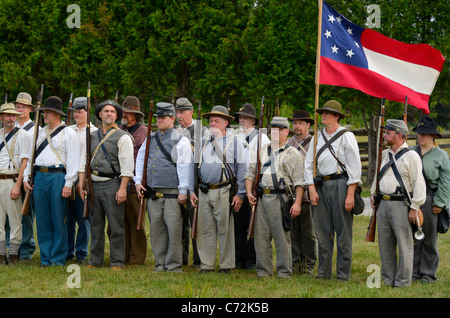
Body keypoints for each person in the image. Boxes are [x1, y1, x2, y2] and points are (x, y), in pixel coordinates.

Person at [304, 100, 362, 281]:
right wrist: (311, 189)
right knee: (322, 231)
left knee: (343, 232)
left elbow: (355, 167)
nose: (324, 115)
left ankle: (343, 275)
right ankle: (323, 273)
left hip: (341, 185)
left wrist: (350, 193)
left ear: (337, 116)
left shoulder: (347, 136)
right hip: (320, 185)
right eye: (322, 112)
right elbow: (308, 165)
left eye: (328, 113)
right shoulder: (317, 137)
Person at [135, 102, 193, 272]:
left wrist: (183, 190)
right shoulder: (150, 138)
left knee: (174, 231)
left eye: (163, 117)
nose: (159, 120)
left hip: (173, 194)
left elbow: (184, 166)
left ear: (172, 118)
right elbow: (141, 160)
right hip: (154, 193)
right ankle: (160, 263)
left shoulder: (181, 140)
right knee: (157, 231)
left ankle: (174, 265)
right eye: (158, 117)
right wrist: (138, 181)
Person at [23, 96, 80, 267]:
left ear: (57, 114)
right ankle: (45, 258)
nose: (44, 115)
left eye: (47, 112)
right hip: (39, 176)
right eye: (44, 112)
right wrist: (27, 177)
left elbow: (73, 160)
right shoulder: (38, 132)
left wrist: (68, 183)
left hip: (58, 177)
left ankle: (57, 258)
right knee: (42, 220)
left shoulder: (68, 133)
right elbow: (31, 156)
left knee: (59, 219)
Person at [245, 116, 305, 278]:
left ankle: (284, 271)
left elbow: (300, 181)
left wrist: (297, 203)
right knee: (261, 236)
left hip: (281, 198)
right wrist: (249, 192)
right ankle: (263, 270)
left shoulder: (293, 154)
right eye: (273, 129)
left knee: (281, 237)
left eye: (279, 129)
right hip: (262, 197)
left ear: (286, 132)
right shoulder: (261, 150)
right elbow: (250, 173)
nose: (276, 132)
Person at [190, 105, 247, 273]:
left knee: (225, 230)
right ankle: (206, 265)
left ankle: (226, 265)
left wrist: (240, 194)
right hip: (204, 190)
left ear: (225, 123)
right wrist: (192, 190)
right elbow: (193, 167)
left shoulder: (235, 142)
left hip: (224, 190)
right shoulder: (203, 142)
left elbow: (242, 170)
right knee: (205, 229)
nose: (212, 123)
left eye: (216, 121)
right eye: (211, 120)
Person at [78, 99, 134, 270]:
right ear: (100, 115)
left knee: (116, 226)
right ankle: (95, 260)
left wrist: (123, 188)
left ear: (116, 116)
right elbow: (83, 162)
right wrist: (81, 185)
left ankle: (117, 261)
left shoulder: (123, 137)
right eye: (106, 111)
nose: (109, 114)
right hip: (94, 184)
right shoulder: (91, 135)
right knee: (96, 225)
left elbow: (127, 165)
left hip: (113, 184)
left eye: (112, 112)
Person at [370, 119, 426, 287]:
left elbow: (419, 184)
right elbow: (377, 177)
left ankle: (402, 281)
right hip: (383, 204)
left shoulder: (412, 155)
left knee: (404, 244)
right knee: (385, 245)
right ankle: (388, 280)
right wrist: (373, 194)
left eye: (388, 133)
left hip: (401, 204)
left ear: (399, 135)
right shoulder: (384, 154)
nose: (385, 135)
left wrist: (415, 207)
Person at [411, 116, 450, 283]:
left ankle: (427, 274)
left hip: (430, 199)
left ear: (433, 136)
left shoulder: (441, 155)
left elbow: (445, 181)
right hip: (412, 200)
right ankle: (412, 272)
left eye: (425, 133)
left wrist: (439, 203)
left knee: (428, 240)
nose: (421, 136)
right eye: (419, 133)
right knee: (412, 238)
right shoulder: (411, 152)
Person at [233, 103, 270, 270]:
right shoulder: (235, 137)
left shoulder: (263, 139)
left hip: (255, 188)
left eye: (246, 117)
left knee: (254, 226)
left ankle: (252, 260)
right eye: (241, 117)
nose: (242, 120)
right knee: (238, 225)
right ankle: (238, 258)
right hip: (239, 187)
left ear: (254, 121)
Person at [175, 97, 206, 268]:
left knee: (196, 223)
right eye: (177, 112)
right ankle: (181, 258)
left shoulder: (203, 131)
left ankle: (199, 260)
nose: (179, 116)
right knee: (180, 224)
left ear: (191, 112)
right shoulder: (173, 131)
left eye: (182, 112)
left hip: (197, 182)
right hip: (180, 182)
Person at [67, 97, 98, 264]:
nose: (77, 114)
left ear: (88, 112)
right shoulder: (67, 130)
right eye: (75, 112)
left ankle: (81, 253)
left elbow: (91, 159)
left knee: (84, 219)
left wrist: (84, 181)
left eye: (80, 111)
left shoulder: (94, 132)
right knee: (67, 220)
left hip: (83, 182)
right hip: (67, 179)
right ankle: (68, 251)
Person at [286, 110, 318, 275]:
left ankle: (308, 265)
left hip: (307, 195)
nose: (296, 126)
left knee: (308, 233)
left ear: (308, 125)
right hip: (290, 193)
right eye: (295, 123)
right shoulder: (288, 143)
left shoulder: (314, 143)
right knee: (292, 232)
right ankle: (294, 263)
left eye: (300, 123)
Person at [0, 103, 31, 264]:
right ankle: (0, 254)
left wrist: (18, 185)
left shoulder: (23, 135)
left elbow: (24, 162)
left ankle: (13, 255)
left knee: (14, 221)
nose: (11, 118)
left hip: (12, 180)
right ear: (2, 117)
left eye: (13, 115)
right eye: (7, 115)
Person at [119, 96, 148, 265]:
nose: (125, 114)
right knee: (120, 224)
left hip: (135, 184)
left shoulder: (143, 132)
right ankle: (122, 255)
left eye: (129, 112)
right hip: (120, 183)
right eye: (124, 111)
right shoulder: (120, 129)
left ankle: (136, 259)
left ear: (136, 115)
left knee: (136, 224)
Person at [12, 92, 37, 261]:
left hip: (27, 176)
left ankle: (26, 250)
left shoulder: (36, 129)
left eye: (23, 107)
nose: (20, 109)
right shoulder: (8, 128)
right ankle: (10, 247)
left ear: (30, 109)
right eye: (18, 106)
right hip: (10, 175)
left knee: (26, 214)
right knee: (10, 215)